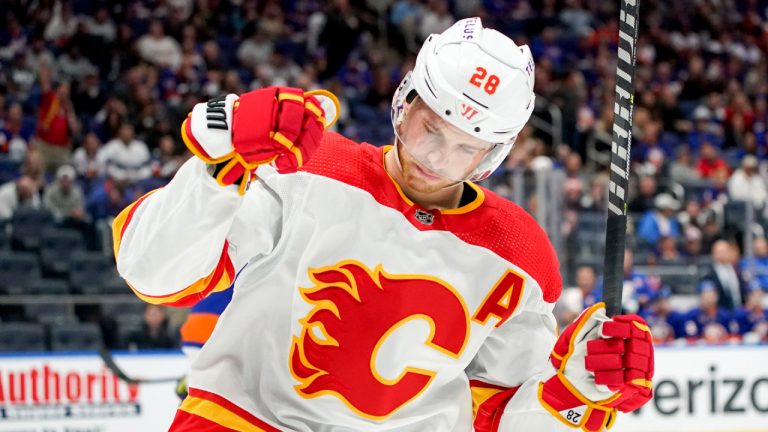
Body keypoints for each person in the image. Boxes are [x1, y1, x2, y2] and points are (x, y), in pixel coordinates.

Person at [114, 18, 653, 432]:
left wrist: (574, 392)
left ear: (495, 154)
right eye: (430, 128)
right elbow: (155, 275)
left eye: (467, 147)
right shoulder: (308, 163)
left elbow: (499, 417)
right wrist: (219, 168)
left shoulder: (519, 251)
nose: (437, 158)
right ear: (406, 99)